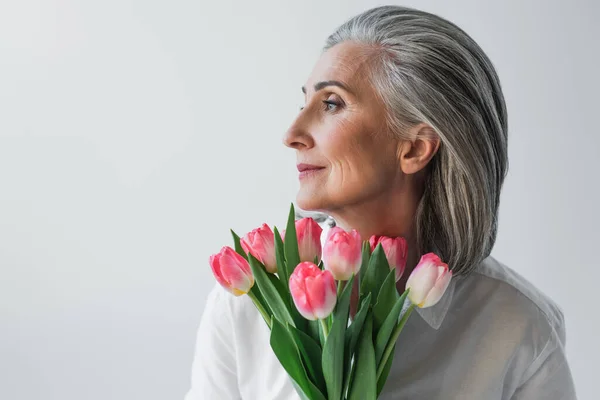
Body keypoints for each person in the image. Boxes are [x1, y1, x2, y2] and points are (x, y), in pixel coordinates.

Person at [184, 5, 577, 399]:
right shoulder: (246, 303)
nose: (292, 134)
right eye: (304, 102)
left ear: (415, 148)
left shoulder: (517, 326)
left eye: (332, 103)